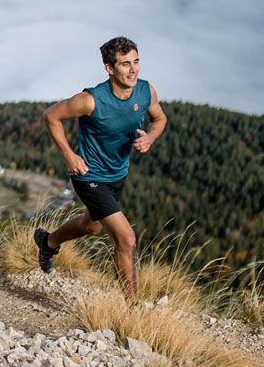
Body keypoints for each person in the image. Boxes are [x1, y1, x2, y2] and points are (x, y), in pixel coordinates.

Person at [33, 36, 167, 302]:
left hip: (118, 174)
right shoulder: (91, 100)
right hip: (88, 175)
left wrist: (150, 137)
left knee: (91, 226)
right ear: (109, 68)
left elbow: (160, 118)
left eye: (136, 62)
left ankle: (48, 242)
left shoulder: (145, 90)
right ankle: (133, 307)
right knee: (126, 239)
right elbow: (51, 116)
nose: (133, 70)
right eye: (125, 64)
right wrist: (69, 155)